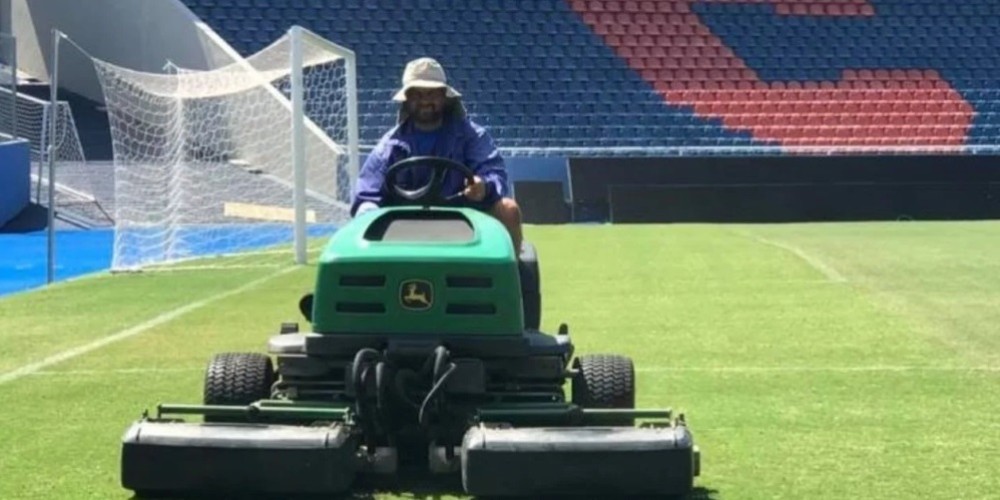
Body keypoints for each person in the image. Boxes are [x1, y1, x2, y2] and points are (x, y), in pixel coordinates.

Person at [350, 57, 523, 254]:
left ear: (444, 96)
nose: (425, 101)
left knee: (508, 210)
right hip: (405, 221)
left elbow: (494, 173)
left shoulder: (472, 136)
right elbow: (367, 193)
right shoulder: (388, 146)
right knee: (364, 215)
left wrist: (483, 186)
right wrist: (368, 210)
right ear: (407, 99)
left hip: (465, 217)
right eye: (417, 94)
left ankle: (513, 278)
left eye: (431, 93)